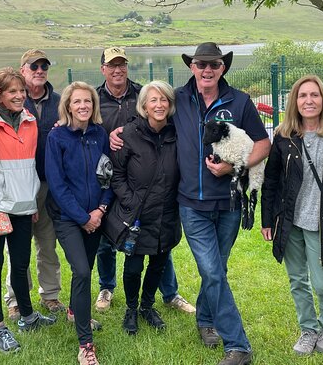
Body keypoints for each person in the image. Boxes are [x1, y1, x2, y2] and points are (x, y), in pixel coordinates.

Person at [174, 42, 270, 365]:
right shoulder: (178, 100)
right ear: (192, 68)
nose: (207, 70)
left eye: (213, 64)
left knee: (217, 269)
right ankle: (238, 345)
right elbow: (149, 115)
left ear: (222, 68)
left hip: (229, 203)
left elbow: (263, 143)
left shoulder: (239, 101)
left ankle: (205, 319)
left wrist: (236, 165)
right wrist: (118, 133)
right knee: (213, 271)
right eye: (201, 64)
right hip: (191, 204)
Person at [95, 46, 195, 315]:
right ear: (103, 68)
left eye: (122, 64)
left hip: (143, 178)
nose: (118, 70)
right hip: (106, 178)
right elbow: (80, 125)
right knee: (107, 239)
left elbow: (154, 126)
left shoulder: (142, 93)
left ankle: (170, 292)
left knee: (156, 237)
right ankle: (107, 286)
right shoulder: (94, 99)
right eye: (112, 65)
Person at [0, 67, 56, 353]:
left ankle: (28, 316)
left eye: (21, 91)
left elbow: (27, 168)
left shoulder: (28, 121)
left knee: (20, 264)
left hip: (21, 204)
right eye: (11, 92)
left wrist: (31, 202)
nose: (19, 96)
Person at [261, 75, 323, 355]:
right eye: (302, 96)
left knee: (322, 282)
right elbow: (271, 179)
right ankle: (308, 329)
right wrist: (267, 220)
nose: (308, 101)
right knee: (297, 279)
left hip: (321, 221)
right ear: (294, 102)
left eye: (314, 95)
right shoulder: (284, 136)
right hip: (290, 220)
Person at [45, 81, 114, 365]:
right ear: (68, 106)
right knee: (83, 272)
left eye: (88, 101)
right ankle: (85, 343)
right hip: (67, 217)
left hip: (95, 215)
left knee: (86, 268)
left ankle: (75, 309)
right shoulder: (57, 137)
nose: (83, 106)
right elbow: (57, 184)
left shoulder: (100, 134)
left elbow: (109, 174)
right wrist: (83, 217)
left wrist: (100, 209)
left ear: (93, 105)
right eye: (77, 102)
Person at [107, 81, 182, 335]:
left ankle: (147, 306)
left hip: (167, 213)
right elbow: (116, 175)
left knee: (158, 264)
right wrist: (130, 201)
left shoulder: (176, 134)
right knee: (134, 266)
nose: (159, 105)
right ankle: (131, 308)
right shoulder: (128, 134)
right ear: (144, 106)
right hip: (137, 216)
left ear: (170, 105)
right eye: (153, 100)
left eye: (164, 100)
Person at [3, 49, 65, 320]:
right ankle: (16, 298)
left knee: (47, 243)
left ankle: (50, 294)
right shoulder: (11, 101)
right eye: (34, 66)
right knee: (17, 245)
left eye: (44, 66)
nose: (40, 70)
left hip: (49, 185)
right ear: (23, 69)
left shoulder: (60, 101)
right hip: (18, 185)